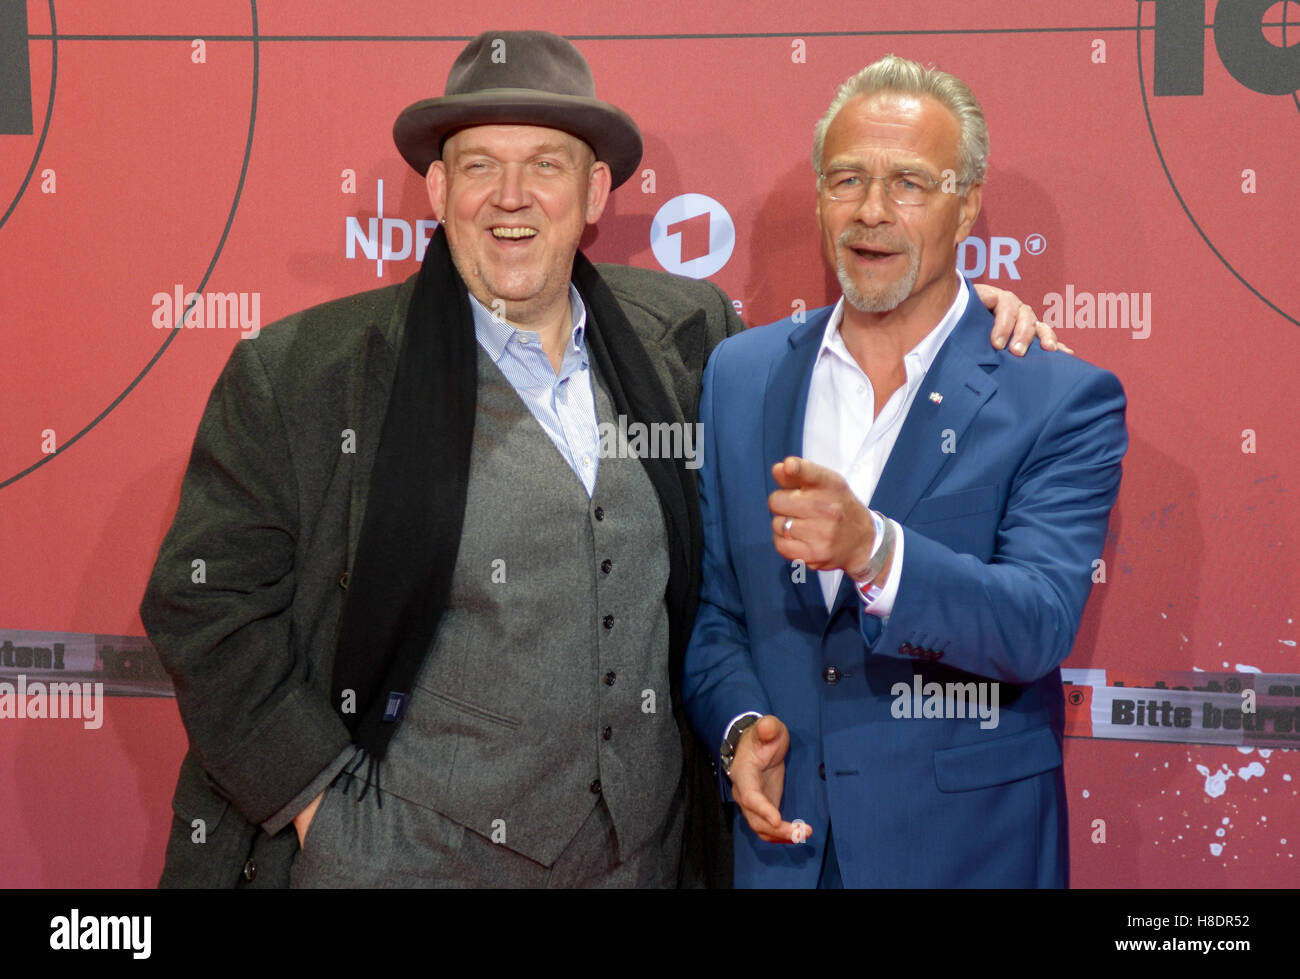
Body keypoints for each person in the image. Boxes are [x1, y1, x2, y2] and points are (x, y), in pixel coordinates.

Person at [141, 33, 1057, 888]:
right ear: (433, 192)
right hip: (398, 862)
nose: (511, 196)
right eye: (478, 167)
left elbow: (843, 354)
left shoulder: (688, 338)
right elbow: (200, 606)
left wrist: (963, 323)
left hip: (646, 861)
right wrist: (319, 810)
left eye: (545, 166)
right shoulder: (304, 374)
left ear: (595, 193)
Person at [681, 53, 1127, 888]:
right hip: (782, 853)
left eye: (912, 183)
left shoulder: (1057, 397)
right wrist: (741, 729)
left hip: (966, 854)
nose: (872, 211)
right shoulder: (738, 375)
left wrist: (875, 550)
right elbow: (717, 614)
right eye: (847, 178)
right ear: (819, 197)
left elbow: (1035, 624)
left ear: (967, 209)